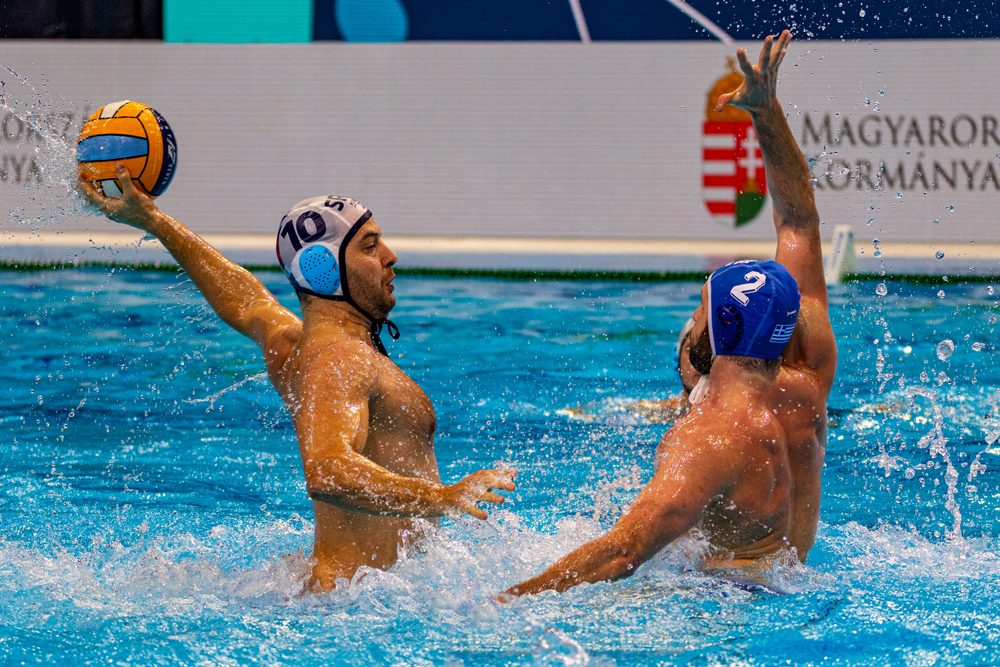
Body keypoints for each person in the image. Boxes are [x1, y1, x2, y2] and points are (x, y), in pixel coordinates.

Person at [503, 30, 836, 597]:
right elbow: (798, 220)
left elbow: (625, 550)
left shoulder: (708, 438)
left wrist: (503, 602)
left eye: (699, 306)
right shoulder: (808, 371)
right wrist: (767, 113)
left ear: (722, 330)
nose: (692, 315)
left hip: (719, 607)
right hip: (793, 581)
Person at [80, 173, 516, 592]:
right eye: (369, 245)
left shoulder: (298, 346)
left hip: (347, 592)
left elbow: (247, 302)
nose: (390, 255)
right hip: (353, 607)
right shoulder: (339, 357)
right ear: (322, 268)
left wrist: (156, 222)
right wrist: (442, 497)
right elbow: (326, 469)